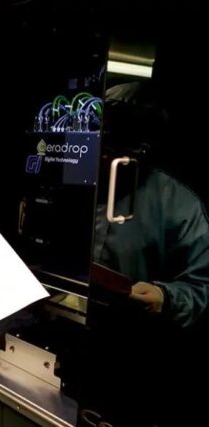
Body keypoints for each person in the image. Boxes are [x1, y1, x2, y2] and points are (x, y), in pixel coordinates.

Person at [94, 81, 209, 327]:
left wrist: (164, 297)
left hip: (132, 333)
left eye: (114, 147)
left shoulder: (179, 206)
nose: (104, 155)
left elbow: (201, 286)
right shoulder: (79, 180)